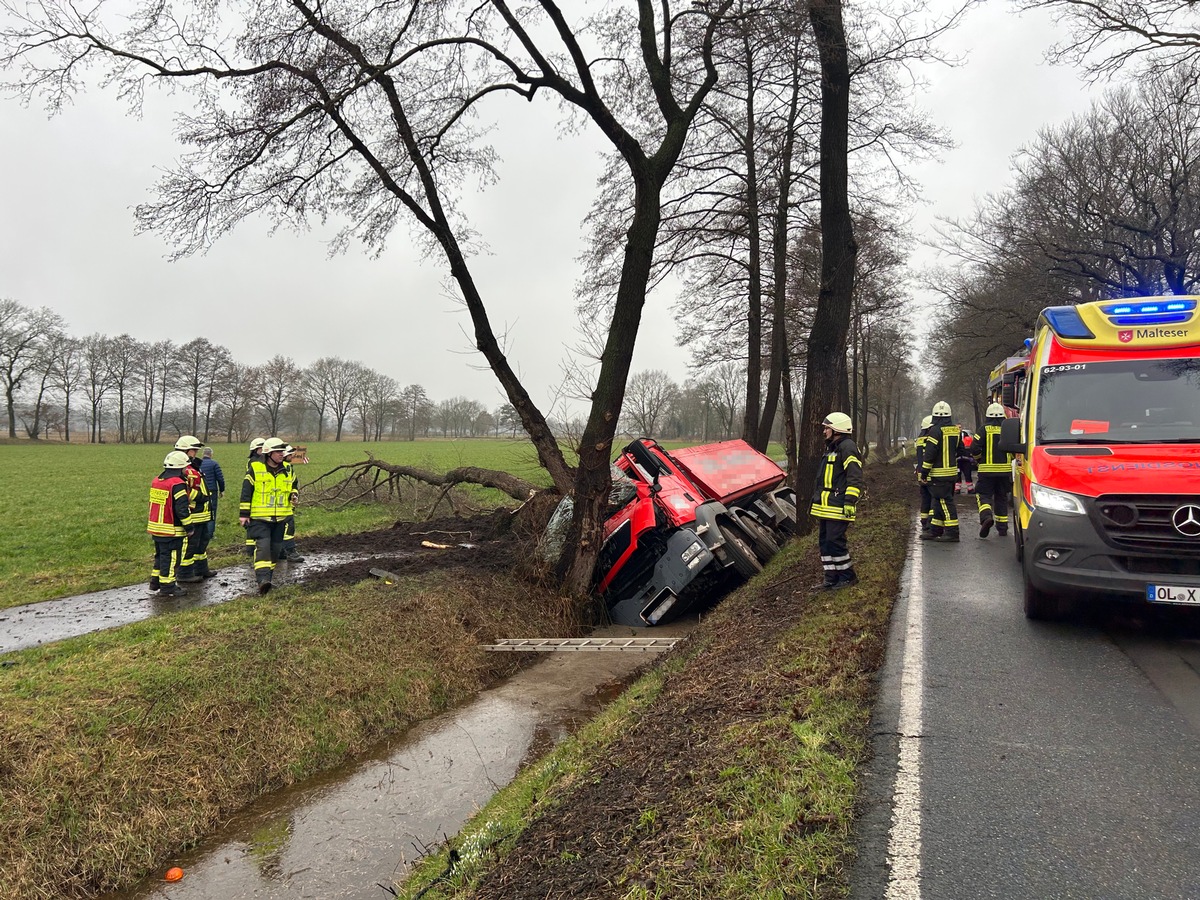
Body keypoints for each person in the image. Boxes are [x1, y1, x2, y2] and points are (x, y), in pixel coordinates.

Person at [810, 412, 863, 590]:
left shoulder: (848, 447)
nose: (824, 431)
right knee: (825, 542)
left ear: (837, 429)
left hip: (839, 506)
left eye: (827, 428)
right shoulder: (832, 448)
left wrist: (849, 501)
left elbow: (855, 477)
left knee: (835, 541)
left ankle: (848, 577)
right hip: (826, 507)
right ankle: (831, 578)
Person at [240, 437, 296, 594]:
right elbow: (246, 492)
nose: (281, 454)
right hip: (260, 518)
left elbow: (293, 486)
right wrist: (244, 515)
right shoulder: (256, 469)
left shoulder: (287, 469)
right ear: (268, 453)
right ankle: (262, 580)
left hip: (281, 518)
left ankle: (268, 580)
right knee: (263, 549)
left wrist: (294, 494)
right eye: (278, 451)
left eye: (282, 451)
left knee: (275, 550)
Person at [147, 450, 192, 597]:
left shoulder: (157, 481)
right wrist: (189, 527)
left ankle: (156, 582)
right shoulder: (177, 484)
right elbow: (181, 509)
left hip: (156, 526)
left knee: (160, 556)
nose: (186, 470)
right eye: (185, 467)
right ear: (180, 467)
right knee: (172, 557)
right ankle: (168, 586)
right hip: (171, 529)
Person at [919, 401, 961, 542]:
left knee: (944, 502)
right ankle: (934, 530)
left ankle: (952, 532)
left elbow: (930, 453)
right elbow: (961, 450)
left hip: (938, 474)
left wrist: (924, 472)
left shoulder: (935, 431)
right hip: (952, 474)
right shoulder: (955, 430)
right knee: (937, 502)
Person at [174, 435, 213, 582]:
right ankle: (184, 574)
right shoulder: (183, 469)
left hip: (202, 514)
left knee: (202, 543)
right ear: (185, 451)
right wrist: (201, 496)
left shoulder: (192, 467)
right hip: (194, 514)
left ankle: (201, 569)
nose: (195, 454)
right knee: (191, 545)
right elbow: (184, 490)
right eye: (193, 451)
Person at [972, 402, 1014, 538]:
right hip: (1005, 472)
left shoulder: (983, 429)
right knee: (1001, 497)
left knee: (983, 495)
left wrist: (979, 459)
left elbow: (974, 448)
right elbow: (1014, 448)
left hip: (987, 471)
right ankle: (1002, 528)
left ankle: (986, 517)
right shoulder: (1008, 429)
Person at [279, 444, 305, 562]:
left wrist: (294, 494)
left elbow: (293, 483)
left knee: (283, 528)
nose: (292, 456)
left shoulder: (288, 468)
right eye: (290, 454)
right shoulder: (279, 468)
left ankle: (280, 551)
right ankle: (290, 551)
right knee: (288, 529)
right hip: (279, 506)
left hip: (287, 504)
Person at [244, 437, 266, 556]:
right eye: (260, 448)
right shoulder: (253, 461)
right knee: (251, 522)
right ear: (255, 449)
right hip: (255, 493)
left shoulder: (263, 460)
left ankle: (254, 547)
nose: (263, 450)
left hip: (261, 494)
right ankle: (250, 549)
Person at [199, 447, 225, 540]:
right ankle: (209, 535)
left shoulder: (198, 464)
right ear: (211, 454)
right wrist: (222, 490)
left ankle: (201, 533)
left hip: (200, 490)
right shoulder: (214, 464)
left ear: (203, 454)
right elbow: (220, 478)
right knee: (212, 511)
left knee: (201, 511)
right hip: (212, 491)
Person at [914, 415, 934, 535]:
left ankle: (924, 521)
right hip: (932, 475)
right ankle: (931, 521)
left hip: (921, 476)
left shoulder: (919, 440)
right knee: (933, 499)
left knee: (925, 499)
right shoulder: (933, 440)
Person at [956, 428, 977, 494]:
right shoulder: (955, 436)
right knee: (957, 474)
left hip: (966, 459)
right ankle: (957, 488)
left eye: (959, 427)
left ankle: (970, 488)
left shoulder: (966, 436)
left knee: (967, 474)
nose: (959, 429)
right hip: (958, 459)